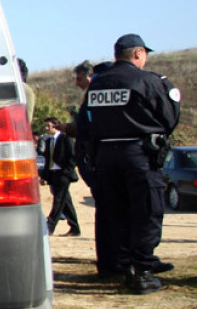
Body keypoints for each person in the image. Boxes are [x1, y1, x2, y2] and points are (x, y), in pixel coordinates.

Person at [78, 33, 180, 293]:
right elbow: (168, 118)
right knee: (147, 210)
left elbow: (86, 123)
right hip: (139, 155)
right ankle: (143, 270)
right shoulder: (147, 81)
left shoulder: (97, 86)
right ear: (137, 54)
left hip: (106, 156)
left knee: (117, 212)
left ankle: (126, 266)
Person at [39, 117, 81, 236]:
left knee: (58, 200)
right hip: (53, 174)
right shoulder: (48, 141)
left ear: (56, 126)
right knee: (65, 201)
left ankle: (50, 227)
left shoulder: (65, 139)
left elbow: (72, 156)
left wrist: (67, 171)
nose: (47, 128)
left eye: (49, 126)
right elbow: (47, 161)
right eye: (46, 126)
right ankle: (75, 228)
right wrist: (44, 176)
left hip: (63, 174)